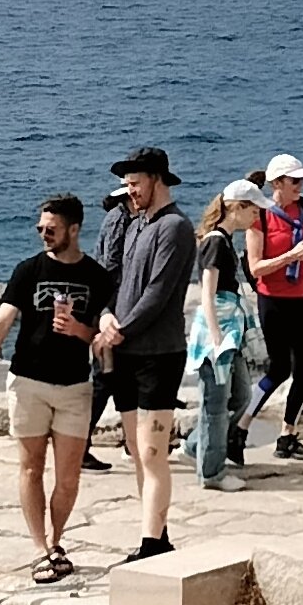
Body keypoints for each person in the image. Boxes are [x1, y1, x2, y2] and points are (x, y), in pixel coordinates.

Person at [0, 193, 112, 584]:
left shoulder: (97, 277)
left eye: (51, 229)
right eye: (40, 228)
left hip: (74, 387)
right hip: (28, 382)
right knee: (31, 468)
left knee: (68, 478)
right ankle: (41, 549)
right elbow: (1, 323)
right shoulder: (28, 270)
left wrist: (78, 329)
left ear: (74, 229)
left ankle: (56, 540)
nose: (43, 234)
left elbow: (100, 336)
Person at [96, 147, 196, 560]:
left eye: (135, 183)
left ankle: (152, 544)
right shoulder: (135, 224)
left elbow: (158, 292)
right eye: (127, 185)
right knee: (138, 452)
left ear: (157, 179)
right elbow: (114, 278)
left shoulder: (176, 227)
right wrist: (105, 315)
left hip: (159, 353)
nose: (130, 191)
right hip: (126, 351)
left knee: (153, 451)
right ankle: (156, 532)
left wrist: (122, 329)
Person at [249, 155, 303, 461]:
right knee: (279, 368)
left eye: (302, 180)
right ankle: (241, 425)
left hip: (302, 298)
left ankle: (288, 434)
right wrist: (291, 256)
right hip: (272, 301)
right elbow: (256, 268)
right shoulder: (260, 215)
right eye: (294, 181)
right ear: (277, 183)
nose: (300, 185)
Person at [188, 179, 261, 493]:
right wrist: (216, 335)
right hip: (217, 332)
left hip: (231, 329)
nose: (257, 216)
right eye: (254, 210)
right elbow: (207, 291)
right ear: (237, 208)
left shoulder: (226, 240)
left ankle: (197, 445)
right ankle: (211, 472)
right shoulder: (216, 242)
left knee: (241, 395)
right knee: (215, 404)